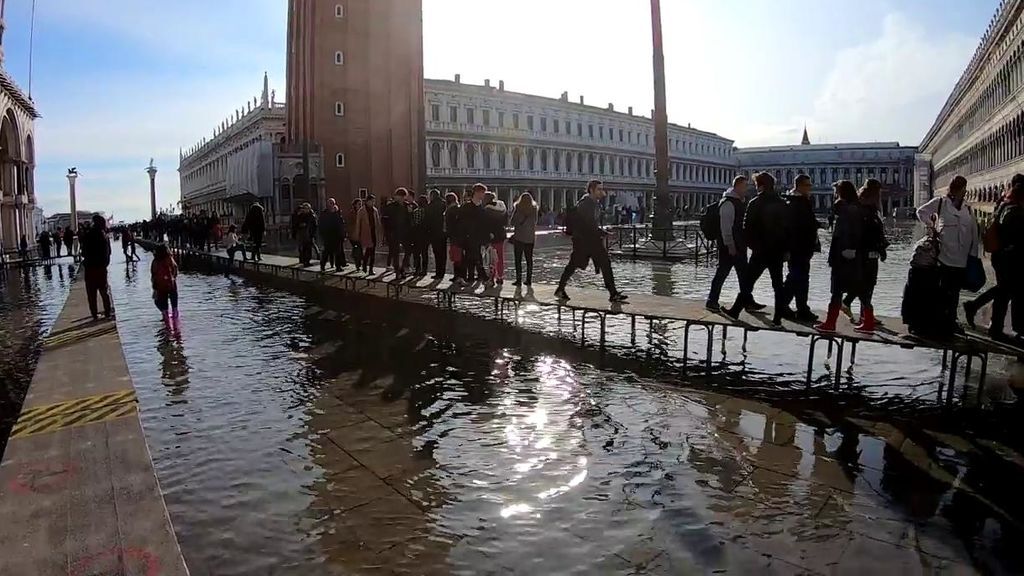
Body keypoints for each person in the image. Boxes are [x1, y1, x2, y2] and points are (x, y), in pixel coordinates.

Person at [722, 172, 791, 325]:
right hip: (777, 250)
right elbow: (788, 229)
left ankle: (735, 311)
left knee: (748, 282)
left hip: (760, 251)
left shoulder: (755, 203)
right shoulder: (782, 203)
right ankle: (778, 319)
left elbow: (746, 228)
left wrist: (753, 246)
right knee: (778, 285)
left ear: (760, 186)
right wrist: (786, 250)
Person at [916, 175, 979, 337]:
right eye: (960, 188)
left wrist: (973, 255)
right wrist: (932, 227)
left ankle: (951, 321)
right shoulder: (941, 203)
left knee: (955, 292)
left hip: (962, 258)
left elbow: (974, 234)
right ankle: (941, 321)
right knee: (943, 290)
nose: (962, 191)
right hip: (944, 255)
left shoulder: (968, 208)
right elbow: (921, 212)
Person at [964, 175, 1024, 343]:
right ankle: (978, 309)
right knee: (1008, 290)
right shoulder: (1014, 210)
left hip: (1002, 255)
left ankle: (996, 327)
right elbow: (1014, 235)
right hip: (1008, 257)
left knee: (1004, 292)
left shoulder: (1003, 204)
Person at [554, 180, 627, 302]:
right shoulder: (586, 204)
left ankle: (613, 293)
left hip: (590, 240)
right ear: (591, 190)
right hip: (584, 241)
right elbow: (589, 223)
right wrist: (602, 233)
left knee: (604, 263)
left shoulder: (593, 203)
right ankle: (560, 289)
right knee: (574, 265)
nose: (601, 192)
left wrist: (601, 232)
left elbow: (591, 223)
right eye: (599, 189)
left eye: (602, 189)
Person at [841, 180, 888, 332]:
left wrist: (882, 248)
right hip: (865, 253)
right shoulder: (863, 210)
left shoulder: (871, 210)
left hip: (871, 252)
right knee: (864, 285)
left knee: (869, 284)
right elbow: (864, 233)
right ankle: (863, 314)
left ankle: (862, 313)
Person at [816, 181, 863, 332]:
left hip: (842, 255)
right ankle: (846, 311)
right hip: (850, 255)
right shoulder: (855, 208)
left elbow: (847, 232)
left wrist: (847, 249)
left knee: (836, 291)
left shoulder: (846, 210)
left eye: (836, 191)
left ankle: (830, 323)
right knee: (852, 287)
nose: (835, 194)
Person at [780, 174, 822, 322]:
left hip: (803, 247)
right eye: (808, 185)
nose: (810, 188)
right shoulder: (795, 203)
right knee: (796, 278)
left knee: (799, 278)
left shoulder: (800, 201)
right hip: (798, 247)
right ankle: (789, 306)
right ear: (800, 186)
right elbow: (791, 227)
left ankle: (800, 308)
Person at [706, 176, 750, 311]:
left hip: (738, 244)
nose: (746, 189)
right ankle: (711, 301)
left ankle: (748, 301)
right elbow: (726, 227)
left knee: (743, 274)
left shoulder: (737, 202)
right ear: (737, 186)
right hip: (730, 246)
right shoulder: (728, 203)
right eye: (744, 186)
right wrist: (730, 245)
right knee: (723, 273)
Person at [81, 214, 113, 320]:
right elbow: (109, 252)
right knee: (104, 291)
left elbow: (83, 252)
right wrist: (104, 264)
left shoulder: (88, 235)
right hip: (101, 268)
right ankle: (107, 312)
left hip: (90, 267)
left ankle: (94, 314)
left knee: (91, 293)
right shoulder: (104, 236)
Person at [459, 184, 491, 285]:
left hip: (478, 237)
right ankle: (483, 278)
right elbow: (461, 223)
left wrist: (486, 238)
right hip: (468, 237)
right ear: (477, 192)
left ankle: (469, 278)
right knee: (475, 258)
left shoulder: (482, 208)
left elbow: (485, 225)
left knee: (473, 258)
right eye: (482, 192)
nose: (483, 195)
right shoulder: (466, 207)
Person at [383, 188, 413, 277]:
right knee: (395, 252)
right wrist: (388, 232)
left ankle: (402, 268)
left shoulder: (407, 206)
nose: (401, 198)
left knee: (408, 250)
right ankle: (397, 271)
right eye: (399, 196)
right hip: (394, 232)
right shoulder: (390, 206)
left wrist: (410, 213)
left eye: (403, 196)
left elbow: (410, 220)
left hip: (404, 232)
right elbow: (385, 220)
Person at [510, 192, 539, 286]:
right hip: (530, 238)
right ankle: (528, 280)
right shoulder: (534, 209)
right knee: (529, 260)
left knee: (518, 260)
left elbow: (512, 222)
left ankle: (518, 280)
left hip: (519, 237)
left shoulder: (518, 208)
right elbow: (535, 222)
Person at [483, 191, 508, 284]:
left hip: (491, 236)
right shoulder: (502, 207)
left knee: (491, 259)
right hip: (501, 235)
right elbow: (506, 221)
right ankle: (500, 276)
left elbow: (485, 225)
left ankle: (491, 278)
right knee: (500, 257)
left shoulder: (486, 210)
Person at [151, 243, 179, 323]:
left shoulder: (155, 261)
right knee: (174, 305)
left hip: (160, 286)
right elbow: (175, 268)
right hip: (171, 284)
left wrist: (154, 286)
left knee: (163, 305)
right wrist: (173, 277)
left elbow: (153, 274)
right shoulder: (169, 258)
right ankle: (176, 321)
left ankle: (166, 321)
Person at [355, 194, 383, 274]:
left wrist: (380, 232)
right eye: (372, 201)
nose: (373, 203)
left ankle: (370, 268)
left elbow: (377, 222)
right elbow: (358, 224)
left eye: (374, 201)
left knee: (372, 252)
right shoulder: (361, 211)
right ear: (367, 201)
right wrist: (357, 235)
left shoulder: (375, 210)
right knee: (368, 251)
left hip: (373, 233)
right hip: (366, 233)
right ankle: (365, 266)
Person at [319, 197, 347, 272]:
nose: (332, 205)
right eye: (330, 203)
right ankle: (322, 265)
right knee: (326, 252)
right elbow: (321, 224)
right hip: (328, 236)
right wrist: (323, 235)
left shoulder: (337, 213)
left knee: (338, 252)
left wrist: (343, 234)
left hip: (337, 236)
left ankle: (338, 266)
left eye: (333, 203)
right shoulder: (324, 213)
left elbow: (341, 224)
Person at [425, 190, 447, 280]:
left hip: (434, 233)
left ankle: (438, 273)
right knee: (443, 254)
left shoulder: (430, 206)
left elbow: (428, 220)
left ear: (432, 196)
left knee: (437, 254)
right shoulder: (444, 204)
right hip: (443, 232)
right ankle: (442, 272)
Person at [444, 192, 464, 283]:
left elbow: (450, 224)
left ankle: (458, 275)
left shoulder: (451, 210)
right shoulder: (458, 209)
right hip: (458, 236)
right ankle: (458, 275)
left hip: (455, 236)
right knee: (457, 257)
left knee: (456, 257)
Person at [410, 195, 429, 275]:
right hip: (426, 234)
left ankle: (417, 269)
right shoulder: (428, 211)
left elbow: (415, 223)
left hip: (417, 234)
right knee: (425, 253)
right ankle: (424, 270)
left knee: (417, 253)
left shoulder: (416, 211)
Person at [348, 198, 364, 271]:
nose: (360, 206)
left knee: (358, 249)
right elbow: (350, 225)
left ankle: (358, 262)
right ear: (355, 205)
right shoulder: (352, 213)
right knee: (358, 249)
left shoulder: (361, 212)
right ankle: (358, 265)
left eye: (361, 204)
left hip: (360, 234)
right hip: (353, 235)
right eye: (359, 204)